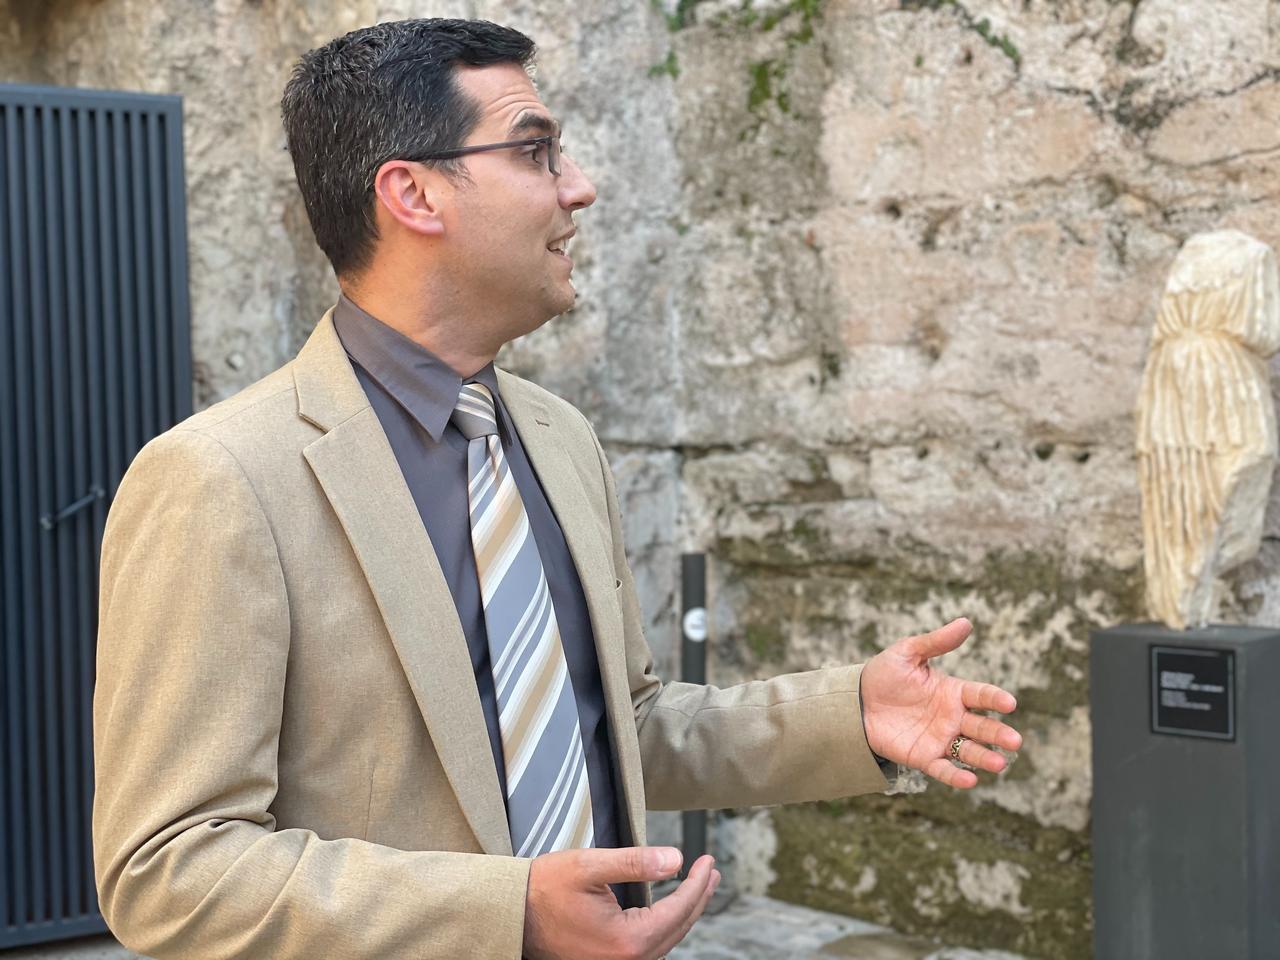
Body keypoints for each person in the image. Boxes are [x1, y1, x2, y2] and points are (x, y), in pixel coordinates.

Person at [91, 18, 1022, 960]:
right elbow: (168, 868)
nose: (579, 186)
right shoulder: (221, 478)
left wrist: (850, 715)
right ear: (412, 193)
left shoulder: (557, 437)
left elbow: (620, 726)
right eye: (536, 151)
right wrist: (509, 914)